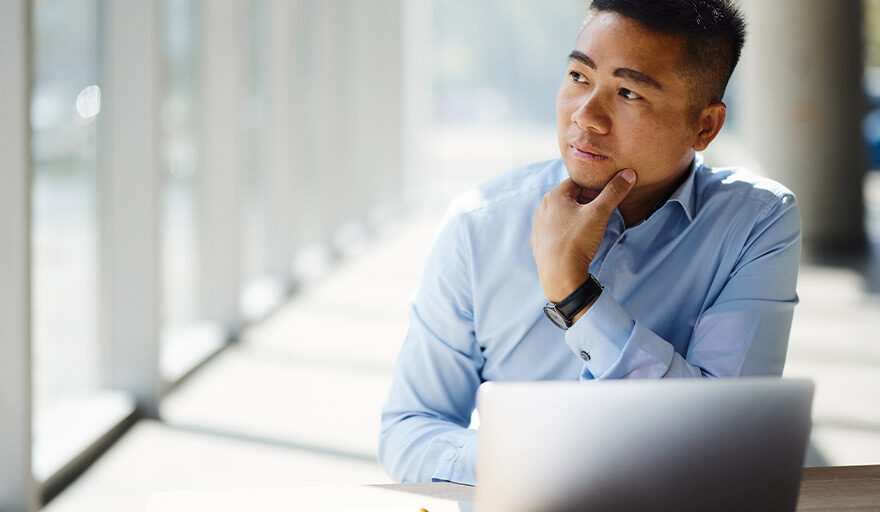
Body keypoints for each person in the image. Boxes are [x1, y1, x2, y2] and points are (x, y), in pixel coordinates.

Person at [379, 0, 801, 485]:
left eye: (628, 92)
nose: (586, 116)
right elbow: (409, 430)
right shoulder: (479, 225)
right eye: (579, 77)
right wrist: (537, 464)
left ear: (705, 125)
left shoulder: (756, 222)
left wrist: (575, 295)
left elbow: (726, 438)